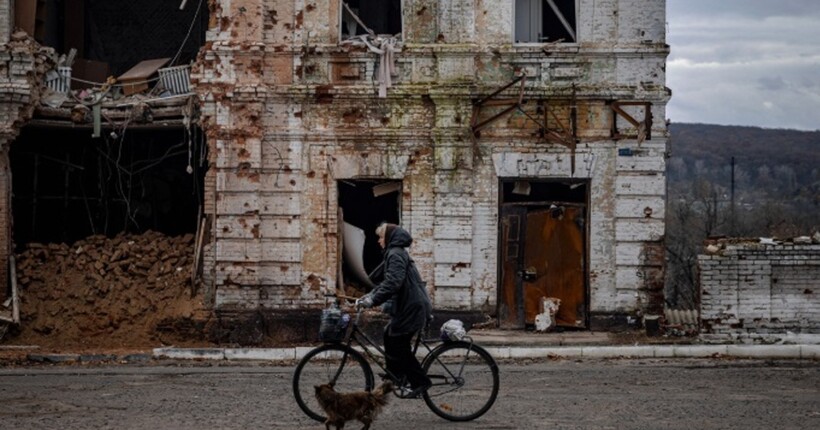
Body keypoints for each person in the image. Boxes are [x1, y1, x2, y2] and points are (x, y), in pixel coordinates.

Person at [356, 222, 433, 398]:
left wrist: (373, 300)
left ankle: (421, 381)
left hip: (412, 307)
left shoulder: (396, 254)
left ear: (389, 238)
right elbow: (387, 281)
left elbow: (393, 283)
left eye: (381, 237)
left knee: (399, 344)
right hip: (408, 306)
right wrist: (368, 296)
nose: (378, 241)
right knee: (388, 332)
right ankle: (396, 375)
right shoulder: (394, 253)